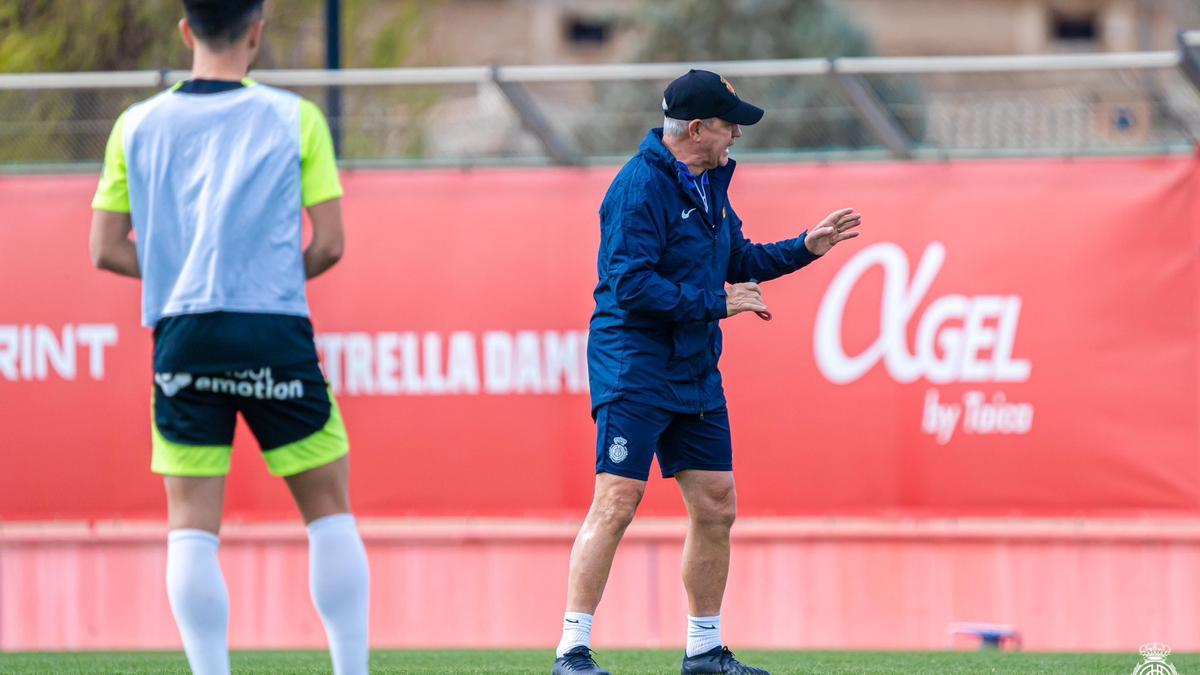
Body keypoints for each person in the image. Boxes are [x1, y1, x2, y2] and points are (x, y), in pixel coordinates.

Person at [89, 2, 369, 673]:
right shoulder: (294, 117)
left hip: (183, 333)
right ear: (256, 32)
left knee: (191, 525)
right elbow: (328, 244)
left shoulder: (136, 124)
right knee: (328, 510)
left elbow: (105, 248)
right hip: (271, 327)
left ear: (186, 31)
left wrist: (180, 272)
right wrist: (267, 278)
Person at [553, 70, 862, 675]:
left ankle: (703, 650)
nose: (737, 136)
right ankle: (573, 649)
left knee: (717, 504)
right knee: (617, 499)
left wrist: (806, 247)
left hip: (693, 369)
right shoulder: (637, 188)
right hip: (634, 365)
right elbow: (630, 285)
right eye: (730, 124)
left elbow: (736, 259)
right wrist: (717, 304)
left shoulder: (709, 182)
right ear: (697, 129)